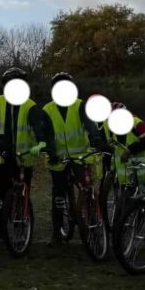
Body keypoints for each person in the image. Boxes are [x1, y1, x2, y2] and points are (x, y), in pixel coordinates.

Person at [39, 72, 104, 247]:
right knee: (58, 195)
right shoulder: (47, 110)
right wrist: (51, 151)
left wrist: (96, 138)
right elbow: (48, 135)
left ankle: (95, 226)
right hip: (58, 158)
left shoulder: (80, 105)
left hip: (80, 156)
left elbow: (90, 124)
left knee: (88, 189)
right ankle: (56, 232)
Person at [0, 67, 48, 220]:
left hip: (24, 157)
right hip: (2, 155)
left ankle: (21, 221)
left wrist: (41, 142)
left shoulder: (30, 105)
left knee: (23, 192)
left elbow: (37, 127)